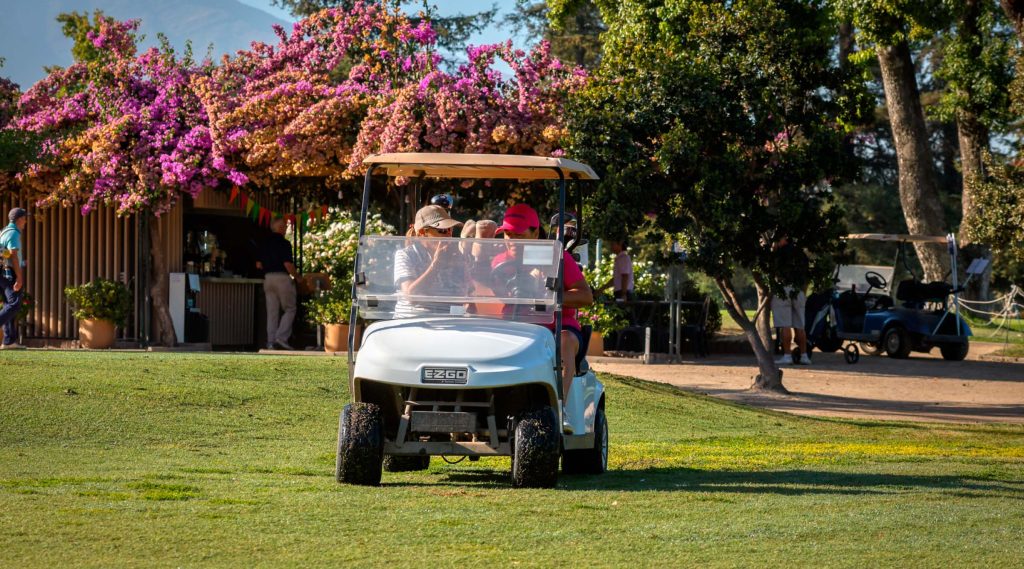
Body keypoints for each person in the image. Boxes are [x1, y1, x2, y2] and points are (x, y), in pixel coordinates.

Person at [495, 204, 593, 433]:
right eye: (508, 234)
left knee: (565, 341)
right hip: (513, 327)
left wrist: (547, 294)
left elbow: (585, 296)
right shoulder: (496, 259)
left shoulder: (557, 258)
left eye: (519, 235)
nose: (512, 240)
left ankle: (560, 407)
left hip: (555, 326)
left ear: (535, 233)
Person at [394, 205, 466, 318]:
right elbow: (411, 296)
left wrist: (462, 266)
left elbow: (467, 294)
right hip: (413, 321)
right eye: (442, 230)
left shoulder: (455, 255)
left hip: (449, 320)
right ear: (422, 232)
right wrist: (437, 265)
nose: (448, 235)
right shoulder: (406, 255)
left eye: (450, 229)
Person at [256, 218, 299, 350]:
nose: (286, 229)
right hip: (282, 277)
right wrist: (297, 277)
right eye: (285, 227)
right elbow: (288, 264)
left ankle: (270, 342)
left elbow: (258, 265)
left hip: (268, 278)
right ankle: (281, 338)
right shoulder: (284, 243)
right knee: (290, 308)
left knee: (272, 312)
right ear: (280, 228)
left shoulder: (264, 243)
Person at [771, 235, 811, 365]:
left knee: (785, 325)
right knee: (800, 325)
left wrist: (774, 250)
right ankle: (804, 356)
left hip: (783, 289)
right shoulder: (801, 255)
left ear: (785, 239)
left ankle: (787, 355)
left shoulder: (779, 254)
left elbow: (773, 271)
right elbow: (806, 275)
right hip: (798, 290)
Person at [0, 208, 28, 350]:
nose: (26, 221)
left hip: (3, 272)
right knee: (14, 304)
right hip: (9, 273)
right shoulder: (14, 233)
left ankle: (9, 341)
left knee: (8, 304)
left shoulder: (4, 231)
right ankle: (8, 340)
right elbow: (13, 255)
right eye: (24, 218)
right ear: (19, 219)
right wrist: (20, 277)